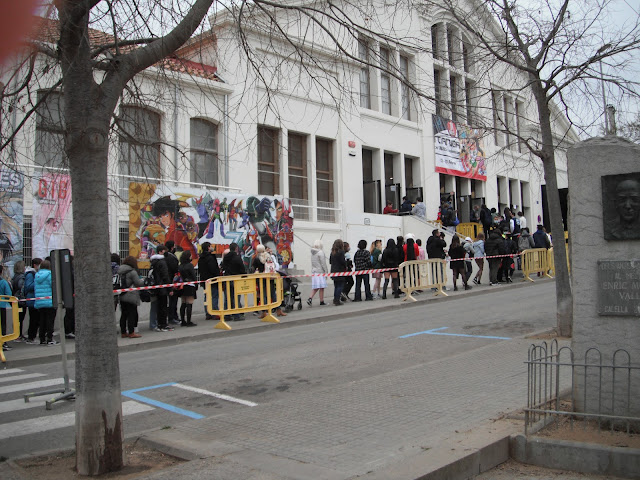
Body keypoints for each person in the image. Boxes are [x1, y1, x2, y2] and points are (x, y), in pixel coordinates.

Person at [118, 256, 144, 338]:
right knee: (131, 314)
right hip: (131, 294)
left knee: (123, 314)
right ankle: (131, 332)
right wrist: (143, 281)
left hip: (122, 294)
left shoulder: (119, 270)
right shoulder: (132, 271)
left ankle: (123, 332)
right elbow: (138, 283)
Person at [34, 259, 58, 345]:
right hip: (49, 301)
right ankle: (50, 338)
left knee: (42, 321)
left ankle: (42, 338)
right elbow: (54, 287)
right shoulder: (50, 275)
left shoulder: (37, 275)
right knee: (50, 321)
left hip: (40, 301)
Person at [150, 244, 174, 332]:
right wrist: (170, 288)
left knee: (159, 307)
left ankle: (159, 324)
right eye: (165, 251)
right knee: (164, 307)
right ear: (161, 251)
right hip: (163, 288)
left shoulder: (153, 262)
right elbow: (165, 276)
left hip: (156, 287)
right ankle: (163, 324)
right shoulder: (162, 262)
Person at [221, 242, 247, 320]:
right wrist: (244, 275)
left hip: (227, 278)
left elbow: (223, 267)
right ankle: (236, 315)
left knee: (227, 298)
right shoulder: (237, 258)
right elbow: (242, 269)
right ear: (236, 248)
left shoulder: (226, 257)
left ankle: (227, 315)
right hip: (236, 279)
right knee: (236, 297)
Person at [198, 241, 220, 320]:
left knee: (206, 297)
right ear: (208, 247)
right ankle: (215, 312)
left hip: (204, 280)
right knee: (214, 296)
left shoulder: (201, 258)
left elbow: (200, 270)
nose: (212, 247)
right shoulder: (210, 257)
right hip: (212, 280)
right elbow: (213, 269)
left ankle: (207, 313)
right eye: (210, 246)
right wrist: (217, 274)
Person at [178, 250, 198, 327]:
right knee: (189, 303)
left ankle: (183, 320)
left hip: (182, 285)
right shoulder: (190, 265)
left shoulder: (180, 266)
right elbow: (193, 276)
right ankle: (189, 321)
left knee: (183, 303)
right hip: (190, 285)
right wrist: (196, 285)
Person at [24, 258, 42, 344]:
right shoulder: (30, 274)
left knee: (36, 320)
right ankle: (31, 337)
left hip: (36, 300)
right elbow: (28, 286)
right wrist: (38, 283)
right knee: (34, 320)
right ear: (35, 265)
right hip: (32, 300)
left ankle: (33, 336)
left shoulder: (35, 273)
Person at [164, 240, 181, 325]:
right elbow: (175, 269)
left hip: (168, 281)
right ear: (171, 247)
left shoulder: (165, 256)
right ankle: (172, 317)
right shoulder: (171, 257)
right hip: (172, 281)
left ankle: (173, 316)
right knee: (173, 301)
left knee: (170, 301)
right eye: (174, 246)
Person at [308, 240, 328, 306]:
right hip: (320, 272)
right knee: (321, 287)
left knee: (316, 287)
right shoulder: (320, 252)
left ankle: (310, 298)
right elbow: (323, 263)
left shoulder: (312, 253)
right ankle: (321, 301)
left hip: (314, 271)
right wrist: (326, 271)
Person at [11, 260, 27, 342]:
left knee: (16, 318)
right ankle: (18, 335)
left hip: (14, 300)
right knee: (20, 318)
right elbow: (22, 288)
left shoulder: (14, 277)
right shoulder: (22, 277)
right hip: (20, 300)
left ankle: (17, 334)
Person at [329, 239, 347, 306]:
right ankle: (337, 300)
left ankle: (335, 299)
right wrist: (346, 265)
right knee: (340, 286)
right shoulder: (341, 252)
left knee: (336, 286)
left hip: (333, 270)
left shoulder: (332, 252)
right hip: (340, 271)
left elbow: (330, 261)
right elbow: (342, 261)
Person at [0, 266, 13, 351]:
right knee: (2, 325)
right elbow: (8, 295)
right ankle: (3, 343)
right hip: (1, 305)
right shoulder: (3, 282)